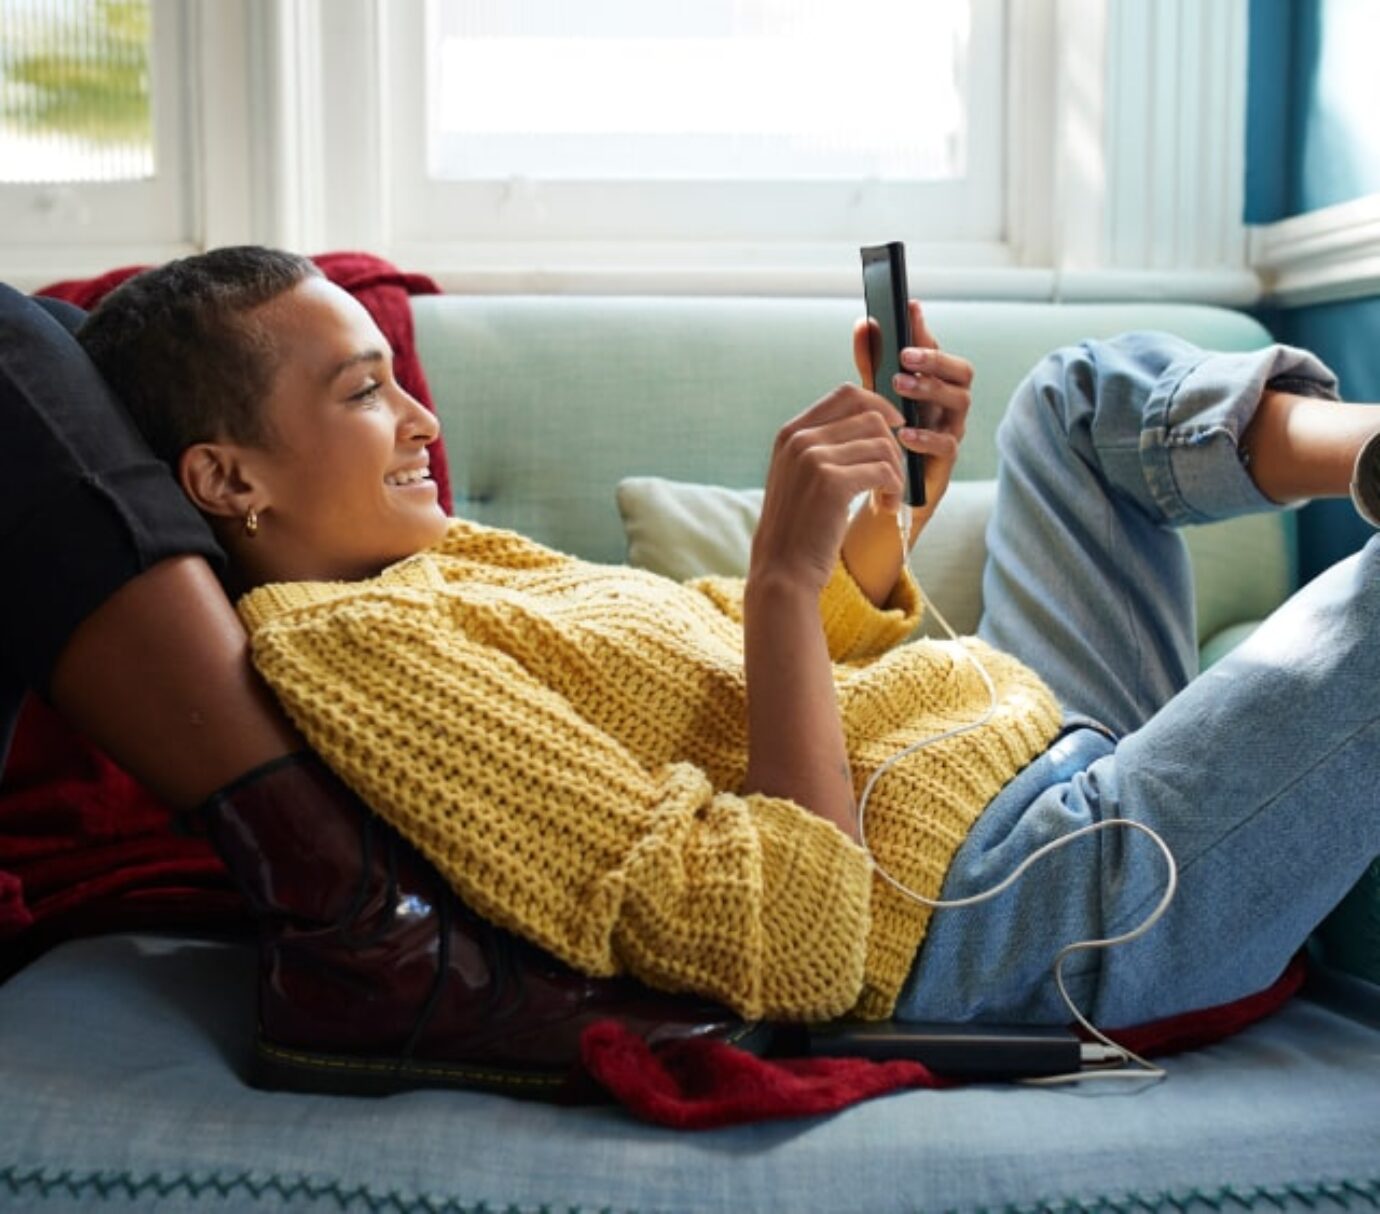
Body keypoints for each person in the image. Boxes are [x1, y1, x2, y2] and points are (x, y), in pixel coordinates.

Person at [2, 246, 1376, 1096]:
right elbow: (784, 943)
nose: (422, 417)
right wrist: (783, 584)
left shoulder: (452, 564)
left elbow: (741, 667)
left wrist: (879, 521)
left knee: (1071, 396)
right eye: (364, 392)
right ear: (224, 476)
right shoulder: (354, 647)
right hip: (1036, 910)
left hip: (1050, 765)